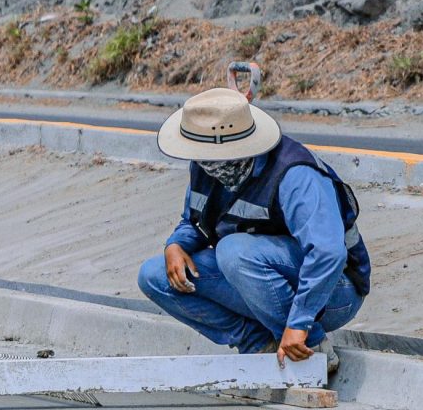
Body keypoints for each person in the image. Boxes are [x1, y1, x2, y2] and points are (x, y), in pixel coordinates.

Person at [137, 86, 370, 361]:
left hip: (333, 292)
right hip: (257, 279)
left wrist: (299, 322)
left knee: (233, 250)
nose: (199, 161)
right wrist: (176, 245)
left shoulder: (295, 174)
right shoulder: (207, 166)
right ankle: (259, 344)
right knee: (154, 276)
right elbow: (196, 219)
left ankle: (313, 348)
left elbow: (327, 253)